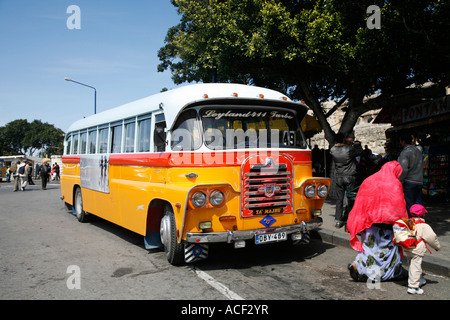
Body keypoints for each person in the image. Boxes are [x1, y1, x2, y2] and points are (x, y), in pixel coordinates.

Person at [347, 161, 409, 282]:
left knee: (370, 248)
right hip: (387, 225)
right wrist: (405, 222)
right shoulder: (395, 183)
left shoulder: (369, 180)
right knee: (388, 250)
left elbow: (361, 201)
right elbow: (400, 205)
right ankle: (393, 272)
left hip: (370, 223)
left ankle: (358, 266)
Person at [404, 204, 440, 295]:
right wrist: (437, 247)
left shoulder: (408, 222)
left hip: (407, 248)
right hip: (417, 249)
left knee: (413, 265)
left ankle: (418, 280)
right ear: (422, 215)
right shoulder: (423, 225)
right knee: (415, 266)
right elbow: (432, 237)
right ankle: (413, 287)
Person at [330, 132, 363, 228]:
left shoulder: (333, 150)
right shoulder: (348, 149)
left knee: (339, 199)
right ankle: (349, 218)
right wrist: (356, 144)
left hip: (339, 176)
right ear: (343, 139)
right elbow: (359, 152)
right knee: (350, 199)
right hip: (349, 176)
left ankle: (338, 220)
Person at [398, 133, 423, 216]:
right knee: (418, 204)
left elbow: (403, 169)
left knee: (410, 204)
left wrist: (399, 180)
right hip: (419, 180)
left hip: (409, 181)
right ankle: (420, 221)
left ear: (403, 142)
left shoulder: (405, 153)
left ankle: (412, 223)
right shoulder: (418, 151)